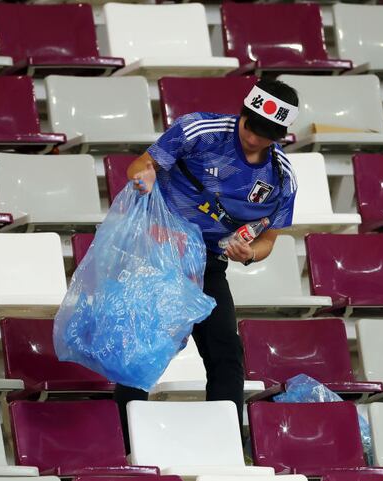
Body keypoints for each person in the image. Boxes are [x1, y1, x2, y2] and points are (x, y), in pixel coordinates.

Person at [114, 79, 300, 449]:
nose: (254, 139)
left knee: (226, 354)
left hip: (209, 264)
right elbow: (141, 164)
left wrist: (250, 254)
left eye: (267, 135)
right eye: (251, 127)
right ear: (242, 113)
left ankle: (225, 443)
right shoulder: (199, 130)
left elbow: (268, 241)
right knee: (145, 348)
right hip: (158, 252)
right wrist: (143, 178)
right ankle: (129, 444)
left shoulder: (281, 177)